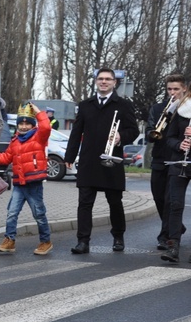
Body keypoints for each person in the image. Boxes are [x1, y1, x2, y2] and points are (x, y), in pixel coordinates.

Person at [64, 68, 140, 254]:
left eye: (108, 79)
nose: (104, 82)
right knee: (84, 203)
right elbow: (76, 132)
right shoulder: (85, 105)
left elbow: (134, 130)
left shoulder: (123, 105)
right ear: (96, 81)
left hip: (111, 160)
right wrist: (70, 156)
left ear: (115, 83)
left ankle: (118, 236)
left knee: (114, 201)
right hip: (89, 160)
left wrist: (120, 136)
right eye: (101, 79)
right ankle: (83, 241)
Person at [0, 103, 53, 255]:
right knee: (12, 212)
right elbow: (5, 158)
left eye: (27, 123)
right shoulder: (15, 141)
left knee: (38, 213)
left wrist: (38, 112)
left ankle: (46, 241)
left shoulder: (39, 136)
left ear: (32, 125)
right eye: (21, 123)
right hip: (19, 183)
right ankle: (9, 240)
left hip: (33, 183)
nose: (24, 126)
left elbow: (46, 127)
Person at [147, 74, 187, 251]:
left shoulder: (187, 109)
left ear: (184, 89)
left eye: (176, 89)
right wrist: (154, 132)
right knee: (158, 197)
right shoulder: (157, 108)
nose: (172, 92)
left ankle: (165, 236)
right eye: (169, 89)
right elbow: (150, 130)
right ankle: (176, 226)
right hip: (160, 157)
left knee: (171, 200)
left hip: (178, 159)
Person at [159, 84, 191, 263]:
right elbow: (168, 138)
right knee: (175, 204)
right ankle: (173, 247)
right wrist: (179, 144)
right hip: (179, 162)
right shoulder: (182, 109)